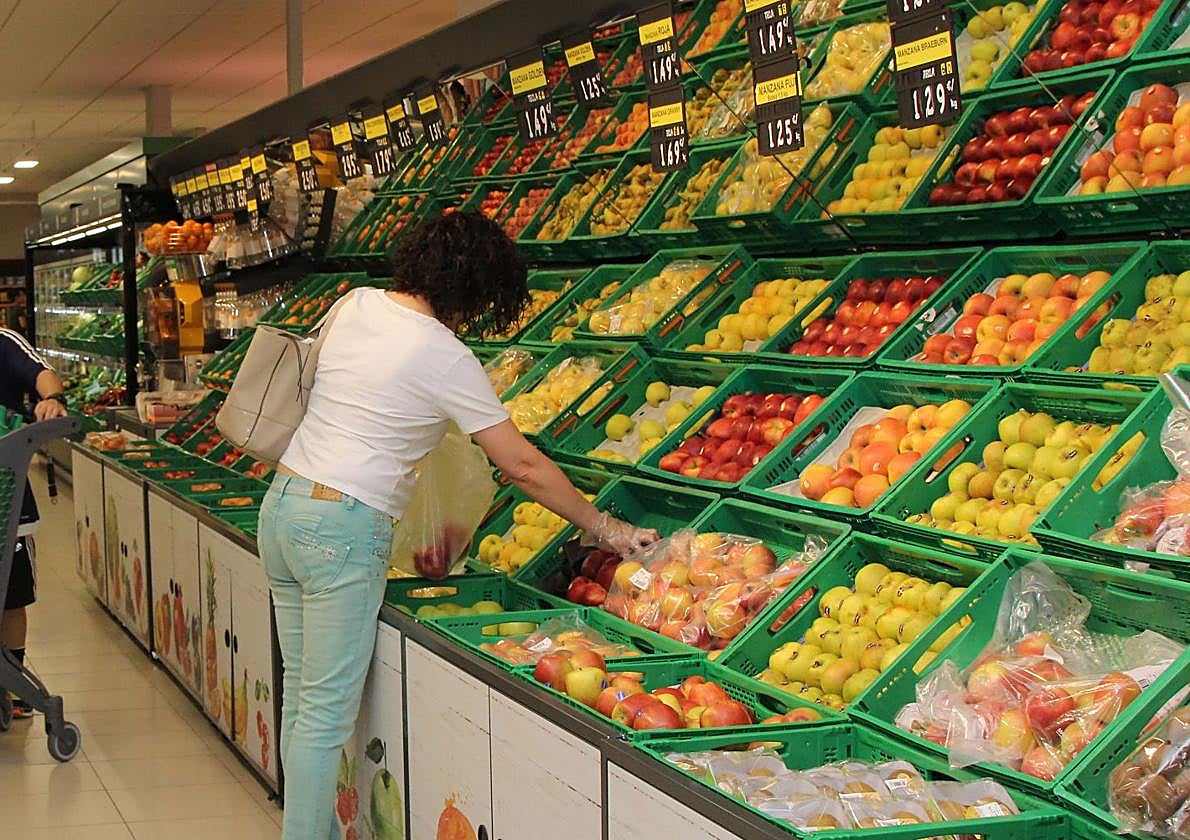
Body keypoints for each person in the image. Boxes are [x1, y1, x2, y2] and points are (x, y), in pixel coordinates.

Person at [257, 211, 657, 839]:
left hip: (284, 506)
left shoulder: (355, 303)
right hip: (341, 528)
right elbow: (522, 465)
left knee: (304, 700)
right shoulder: (443, 353)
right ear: (475, 288)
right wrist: (603, 526)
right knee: (325, 716)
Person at [0, 328, 68, 718]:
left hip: (6, 501)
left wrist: (52, 399)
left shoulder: (3, 342)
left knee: (12, 596)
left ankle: (15, 686)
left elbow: (41, 373)